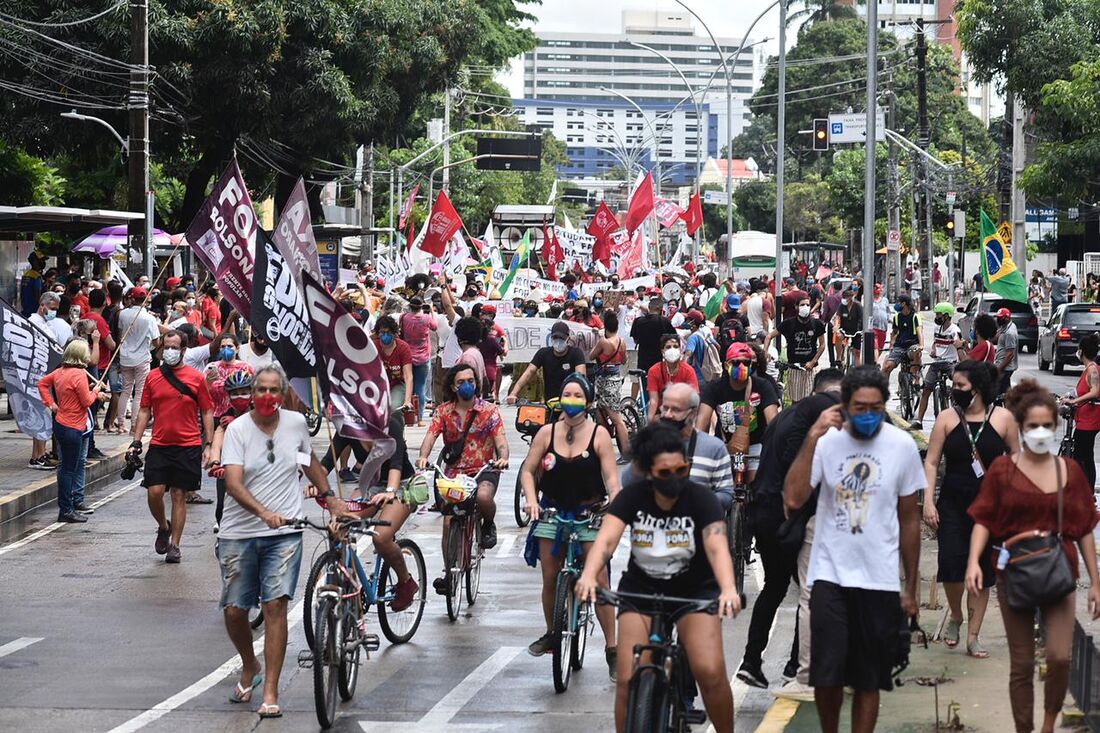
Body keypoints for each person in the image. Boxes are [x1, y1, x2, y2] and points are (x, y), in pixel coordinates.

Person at [784, 366, 924, 733]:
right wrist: (814, 434)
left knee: (868, 677)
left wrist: (910, 587)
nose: (868, 415)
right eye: (859, 408)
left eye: (875, 408)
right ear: (844, 406)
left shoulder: (902, 446)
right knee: (826, 675)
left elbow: (910, 519)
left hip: (879, 579)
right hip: (829, 574)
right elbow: (794, 497)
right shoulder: (827, 442)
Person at [576, 422, 741, 733]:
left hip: (694, 594)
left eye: (682, 470)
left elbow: (717, 547)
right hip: (640, 593)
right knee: (627, 678)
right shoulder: (632, 497)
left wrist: (728, 589)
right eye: (665, 473)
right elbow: (606, 541)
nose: (675, 479)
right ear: (648, 472)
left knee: (709, 672)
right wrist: (588, 576)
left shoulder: (701, 499)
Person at [967, 380, 1100, 733]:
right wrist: (973, 563)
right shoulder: (1002, 470)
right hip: (1014, 573)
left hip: (1059, 570)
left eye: (1046, 426)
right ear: (1021, 428)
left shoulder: (1069, 472)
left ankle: (1048, 723)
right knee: (1022, 664)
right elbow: (984, 518)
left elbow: (1085, 527)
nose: (1040, 432)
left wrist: (1095, 583)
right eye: (1032, 426)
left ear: (1055, 427)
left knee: (1060, 657)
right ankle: (1024, 728)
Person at [218, 365, 348, 719]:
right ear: (252, 394)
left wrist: (330, 498)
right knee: (235, 611)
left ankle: (271, 690)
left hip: (285, 532)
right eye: (261, 390)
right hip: (239, 532)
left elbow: (308, 464)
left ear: (284, 394)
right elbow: (232, 482)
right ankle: (250, 665)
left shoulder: (296, 424)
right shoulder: (237, 430)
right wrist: (262, 513)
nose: (267, 397)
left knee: (275, 606)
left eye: (274, 390)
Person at [742, 369, 844, 700]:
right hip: (791, 515)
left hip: (765, 512)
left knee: (775, 587)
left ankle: (750, 661)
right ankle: (793, 668)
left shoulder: (787, 416)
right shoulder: (820, 423)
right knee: (809, 592)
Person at [519, 375, 620, 678]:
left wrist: (615, 501)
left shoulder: (599, 435)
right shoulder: (546, 433)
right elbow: (527, 470)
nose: (571, 399)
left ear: (588, 402)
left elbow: (613, 480)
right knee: (550, 575)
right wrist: (531, 500)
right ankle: (552, 631)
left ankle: (612, 648)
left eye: (578, 395)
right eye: (567, 393)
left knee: (599, 578)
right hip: (552, 511)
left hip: (589, 512)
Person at [922, 360, 1017, 659]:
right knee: (950, 566)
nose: (954, 391)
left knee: (983, 571)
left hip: (990, 508)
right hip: (952, 502)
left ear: (977, 388)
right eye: (954, 385)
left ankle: (973, 636)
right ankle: (956, 615)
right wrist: (927, 500)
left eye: (960, 386)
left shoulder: (1002, 419)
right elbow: (932, 462)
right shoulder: (947, 418)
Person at [128, 330, 215, 563]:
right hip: (159, 444)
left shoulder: (196, 378)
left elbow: (207, 410)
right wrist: (135, 441)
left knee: (179, 494)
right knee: (154, 492)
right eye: (166, 347)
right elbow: (145, 409)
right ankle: (163, 526)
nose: (170, 351)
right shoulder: (153, 377)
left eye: (174, 347)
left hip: (188, 446)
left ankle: (175, 545)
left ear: (183, 350)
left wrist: (210, 443)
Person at [418, 364, 509, 576]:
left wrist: (502, 458)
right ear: (453, 386)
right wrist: (423, 457)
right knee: (449, 522)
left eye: (470, 381)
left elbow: (501, 441)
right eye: (461, 382)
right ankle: (449, 573)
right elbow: (430, 437)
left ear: (476, 384)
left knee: (484, 497)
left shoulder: (489, 411)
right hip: (454, 474)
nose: (466, 385)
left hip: (483, 470)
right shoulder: (443, 412)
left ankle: (488, 524)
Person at [624, 383, 735, 510]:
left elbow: (726, 495)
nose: (668, 415)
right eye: (665, 408)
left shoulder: (714, 448)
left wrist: (697, 501)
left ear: (693, 413)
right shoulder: (653, 442)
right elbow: (627, 482)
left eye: (676, 410)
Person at [38, 339, 108, 522]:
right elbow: (86, 401)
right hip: (73, 426)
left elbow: (42, 384)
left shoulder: (60, 371)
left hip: (60, 424)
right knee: (69, 469)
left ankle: (67, 507)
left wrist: (52, 404)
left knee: (64, 468)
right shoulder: (78, 374)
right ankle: (66, 510)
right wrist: (97, 391)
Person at [696, 342, 780, 482]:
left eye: (746, 363)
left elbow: (773, 423)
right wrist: (698, 449)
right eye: (736, 363)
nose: (741, 367)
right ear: (726, 365)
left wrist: (775, 448)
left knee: (758, 483)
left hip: (755, 445)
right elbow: (702, 424)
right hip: (723, 445)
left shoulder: (762, 386)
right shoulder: (714, 388)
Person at [117, 287, 163, 433]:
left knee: (126, 390)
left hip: (125, 357)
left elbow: (120, 335)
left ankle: (120, 425)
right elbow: (156, 342)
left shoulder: (123, 314)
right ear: (146, 300)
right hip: (142, 357)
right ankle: (134, 426)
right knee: (139, 392)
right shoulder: (149, 318)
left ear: (132, 298)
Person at [913, 302, 965, 429]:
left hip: (950, 363)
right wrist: (933, 349)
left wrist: (960, 344)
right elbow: (935, 342)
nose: (937, 317)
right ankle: (919, 421)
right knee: (926, 390)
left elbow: (959, 343)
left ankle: (957, 408)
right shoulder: (937, 328)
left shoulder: (954, 330)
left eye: (939, 314)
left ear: (947, 316)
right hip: (937, 363)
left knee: (957, 381)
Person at [507, 321, 587, 404]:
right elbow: (529, 372)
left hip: (571, 403)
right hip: (550, 403)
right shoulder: (543, 353)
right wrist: (513, 393)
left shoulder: (576, 353)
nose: (558, 340)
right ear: (551, 338)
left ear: (568, 338)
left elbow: (581, 378)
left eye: (562, 338)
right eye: (555, 337)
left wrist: (583, 398)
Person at [764, 294, 825, 402]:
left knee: (810, 401)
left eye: (807, 304)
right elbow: (769, 336)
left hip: (810, 368)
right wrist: (765, 351)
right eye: (802, 305)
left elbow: (822, 345)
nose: (805, 307)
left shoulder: (817, 324)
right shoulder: (788, 324)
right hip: (794, 368)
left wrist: (813, 361)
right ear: (796, 307)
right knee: (795, 401)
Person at [589, 309, 630, 456]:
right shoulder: (622, 342)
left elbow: (591, 355)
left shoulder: (604, 342)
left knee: (616, 419)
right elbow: (624, 360)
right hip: (616, 378)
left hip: (605, 381)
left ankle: (626, 452)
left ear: (605, 326)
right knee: (601, 410)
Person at [1064, 333, 1100, 491]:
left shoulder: (1092, 370)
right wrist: (1070, 396)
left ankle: (1085, 493)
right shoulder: (1090, 369)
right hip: (1084, 419)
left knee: (1081, 458)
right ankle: (1087, 492)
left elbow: (1095, 392)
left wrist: (1074, 401)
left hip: (1088, 421)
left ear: (1082, 352)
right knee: (1085, 456)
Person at [400, 296, 437, 425]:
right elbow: (435, 326)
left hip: (408, 357)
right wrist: (432, 311)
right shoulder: (426, 319)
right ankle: (420, 418)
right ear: (421, 306)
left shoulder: (405, 318)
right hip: (423, 357)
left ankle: (407, 417)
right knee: (420, 388)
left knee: (408, 387)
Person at [646, 334, 700, 421]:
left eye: (675, 346)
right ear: (662, 351)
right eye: (668, 347)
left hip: (682, 413)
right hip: (662, 414)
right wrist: (649, 422)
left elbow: (694, 398)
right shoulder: (654, 371)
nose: (672, 349)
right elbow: (653, 401)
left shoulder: (688, 371)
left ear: (680, 349)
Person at [372, 315, 414, 412]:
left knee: (394, 407)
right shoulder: (372, 346)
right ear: (378, 334)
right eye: (382, 332)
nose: (385, 335)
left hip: (397, 385)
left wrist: (407, 401)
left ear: (394, 334)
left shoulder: (403, 347)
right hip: (377, 386)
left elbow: (408, 376)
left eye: (388, 332)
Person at [630, 297, 677, 378]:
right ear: (660, 308)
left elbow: (635, 340)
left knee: (643, 382)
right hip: (658, 358)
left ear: (649, 307)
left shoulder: (638, 321)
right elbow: (673, 339)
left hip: (642, 358)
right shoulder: (664, 321)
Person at [881, 294, 923, 379]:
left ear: (904, 304)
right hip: (899, 347)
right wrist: (891, 345)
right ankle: (884, 390)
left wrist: (921, 345)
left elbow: (920, 332)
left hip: (912, 345)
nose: (896, 304)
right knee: (887, 367)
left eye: (898, 302)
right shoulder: (897, 317)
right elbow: (894, 332)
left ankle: (916, 379)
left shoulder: (915, 317)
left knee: (916, 353)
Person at [832, 288, 864, 368]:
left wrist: (862, 330)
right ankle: (839, 357)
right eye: (844, 297)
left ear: (851, 297)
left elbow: (862, 318)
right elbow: (838, 316)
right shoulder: (842, 305)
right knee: (838, 336)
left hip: (856, 331)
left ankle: (858, 373)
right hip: (845, 329)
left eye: (847, 297)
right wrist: (836, 326)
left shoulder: (858, 305)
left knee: (857, 352)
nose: (845, 299)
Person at [994, 306, 1019, 398]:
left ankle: (1004, 410)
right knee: (1004, 393)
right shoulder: (1006, 327)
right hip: (1003, 366)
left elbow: (1010, 354)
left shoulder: (1009, 333)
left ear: (1007, 318)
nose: (998, 319)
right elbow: (996, 337)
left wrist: (1000, 369)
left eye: (1000, 318)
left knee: (1000, 394)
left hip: (1005, 368)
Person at [681, 310, 708, 383]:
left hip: (695, 376)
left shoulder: (692, 338)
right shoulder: (703, 333)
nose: (685, 321)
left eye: (687, 319)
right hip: (704, 374)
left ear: (692, 322)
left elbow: (688, 355)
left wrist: (681, 372)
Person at [870, 284, 890, 362]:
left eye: (880, 288)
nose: (879, 290)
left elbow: (888, 312)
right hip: (873, 327)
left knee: (880, 347)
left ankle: (875, 361)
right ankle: (877, 362)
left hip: (883, 327)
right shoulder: (870, 300)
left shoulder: (885, 300)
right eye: (877, 288)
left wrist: (890, 319)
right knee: (875, 346)